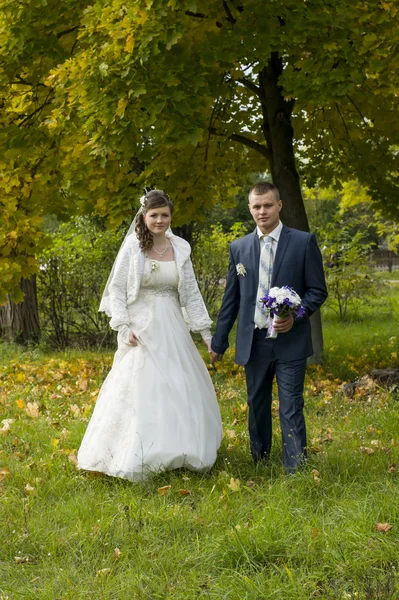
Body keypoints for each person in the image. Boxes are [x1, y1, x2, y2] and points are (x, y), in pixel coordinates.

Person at [78, 190, 222, 481]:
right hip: (141, 328)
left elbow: (191, 293)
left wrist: (206, 332)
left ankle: (180, 449)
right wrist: (124, 326)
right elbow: (117, 290)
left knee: (178, 385)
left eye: (164, 215)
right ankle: (134, 452)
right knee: (142, 387)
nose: (159, 220)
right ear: (144, 217)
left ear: (171, 217)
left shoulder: (180, 248)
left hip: (173, 326)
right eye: (153, 215)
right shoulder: (133, 247)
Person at [210, 182, 327, 473]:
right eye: (256, 206)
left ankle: (295, 467)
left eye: (267, 205)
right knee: (257, 403)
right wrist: (219, 341)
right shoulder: (238, 248)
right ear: (250, 209)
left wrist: (295, 315)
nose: (262, 211)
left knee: (290, 404)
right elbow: (231, 300)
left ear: (279, 205)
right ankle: (260, 460)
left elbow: (317, 290)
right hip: (254, 341)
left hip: (291, 340)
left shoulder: (302, 242)